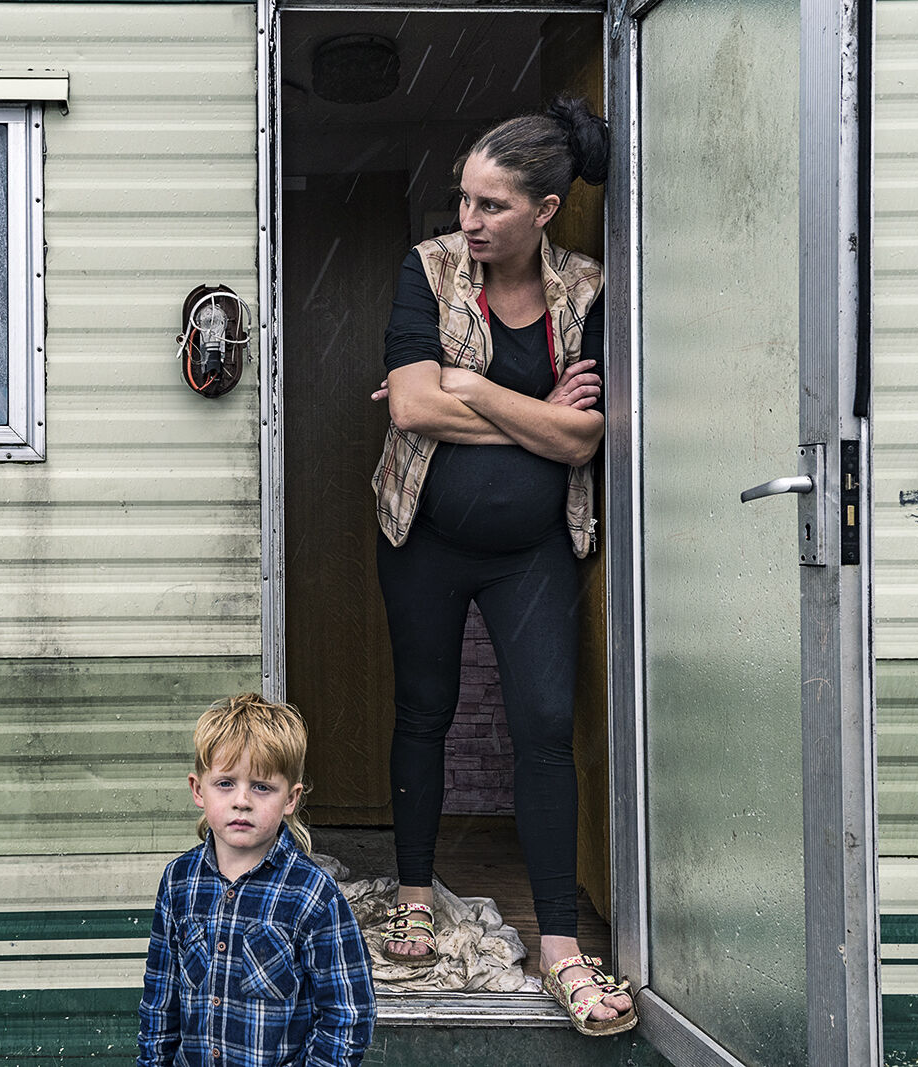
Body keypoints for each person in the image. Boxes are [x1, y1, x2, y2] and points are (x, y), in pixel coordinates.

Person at [368, 96, 637, 1037]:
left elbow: (584, 440)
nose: (470, 221)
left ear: (545, 210)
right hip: (423, 535)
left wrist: (472, 386)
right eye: (465, 200)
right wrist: (539, 413)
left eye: (492, 205)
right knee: (424, 709)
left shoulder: (588, 290)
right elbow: (411, 408)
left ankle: (561, 943)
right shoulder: (428, 269)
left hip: (535, 551)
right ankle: (412, 894)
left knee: (545, 726)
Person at [137, 694, 376, 1067]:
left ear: (290, 798)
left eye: (262, 787)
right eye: (225, 783)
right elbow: (160, 1000)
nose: (242, 801)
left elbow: (348, 1014)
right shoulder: (178, 882)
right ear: (198, 790)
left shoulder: (312, 894)